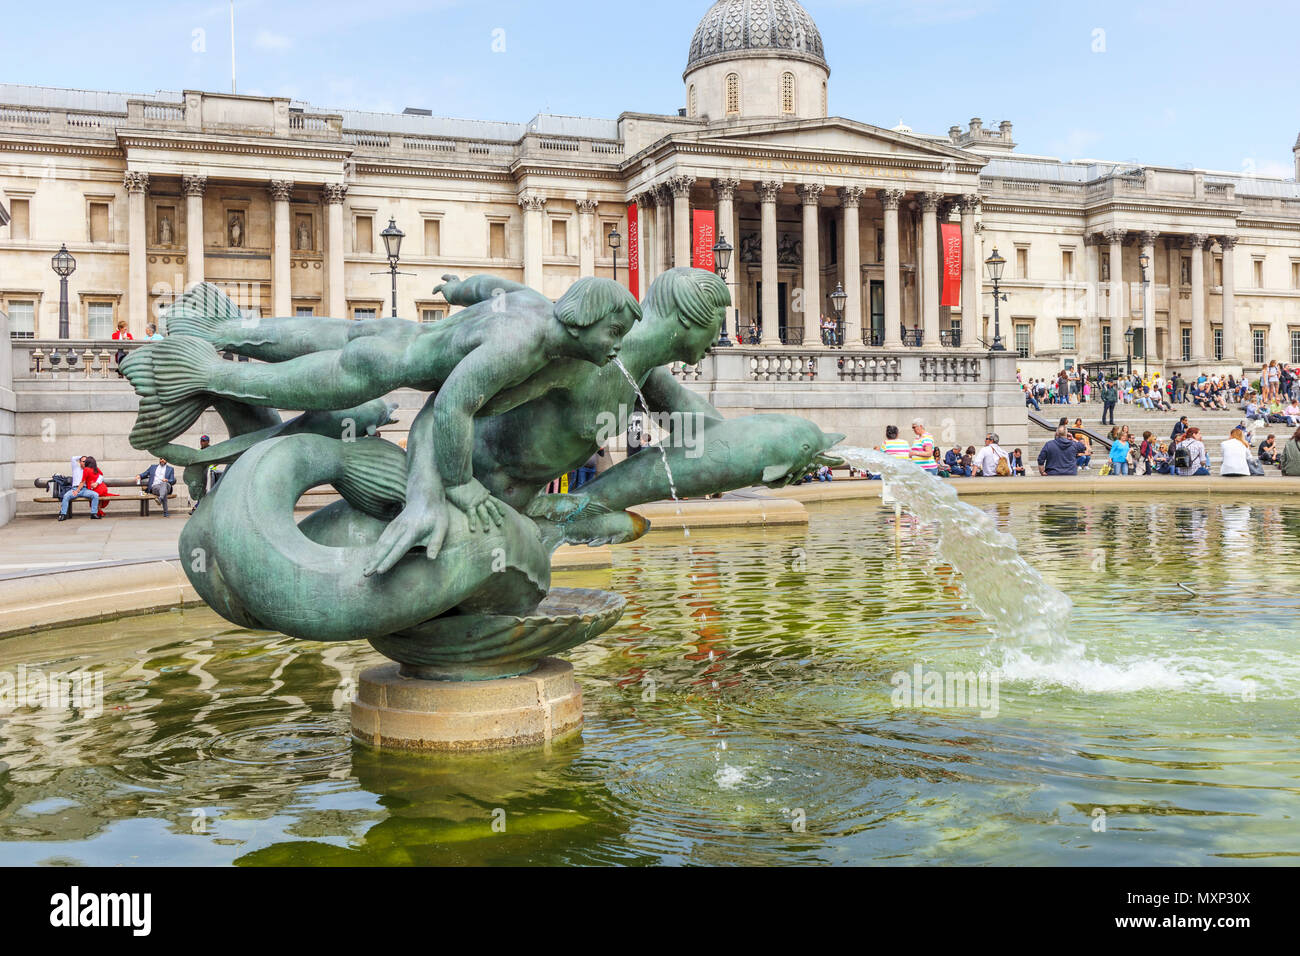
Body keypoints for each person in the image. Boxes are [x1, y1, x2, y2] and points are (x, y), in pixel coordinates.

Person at [126, 275, 643, 574]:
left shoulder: (536, 308)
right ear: (583, 320)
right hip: (375, 370)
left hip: (395, 333)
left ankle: (209, 324)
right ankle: (178, 374)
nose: (617, 345)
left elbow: (492, 287)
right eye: (614, 332)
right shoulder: (521, 348)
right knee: (245, 381)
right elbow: (452, 407)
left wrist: (460, 288)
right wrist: (458, 484)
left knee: (255, 335)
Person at [58, 455, 104, 521]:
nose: (85, 463)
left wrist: (97, 482)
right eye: (83, 461)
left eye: (86, 461)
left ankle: (93, 514)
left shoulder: (89, 468)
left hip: (85, 490)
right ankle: (63, 514)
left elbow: (100, 476)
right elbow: (73, 458)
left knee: (95, 495)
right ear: (80, 462)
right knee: (66, 496)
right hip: (75, 489)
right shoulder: (75, 468)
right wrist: (83, 456)